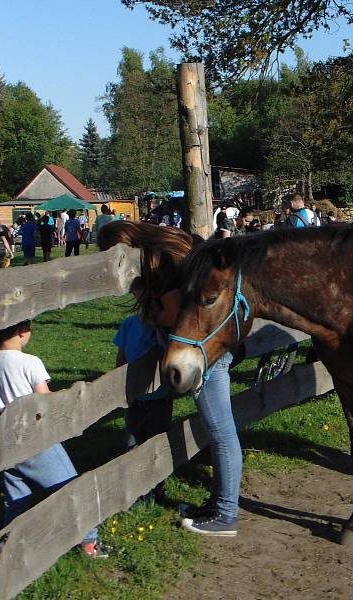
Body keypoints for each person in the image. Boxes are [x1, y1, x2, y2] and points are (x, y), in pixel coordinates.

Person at [98, 221, 242, 537]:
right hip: (208, 346)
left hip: (203, 353)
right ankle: (218, 504)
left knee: (221, 431)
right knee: (218, 430)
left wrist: (150, 313)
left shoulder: (162, 266)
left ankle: (226, 513)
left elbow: (173, 313)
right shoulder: (169, 254)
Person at [0, 320, 110, 558]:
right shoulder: (29, 362)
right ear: (24, 331)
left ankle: (7, 550)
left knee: (17, 499)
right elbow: (45, 400)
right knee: (69, 486)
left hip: (4, 442)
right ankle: (89, 542)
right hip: (36, 440)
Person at [113, 314, 172, 504]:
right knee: (132, 441)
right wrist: (121, 385)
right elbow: (122, 354)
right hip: (134, 398)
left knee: (157, 443)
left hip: (159, 398)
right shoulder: (130, 323)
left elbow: (170, 354)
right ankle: (135, 490)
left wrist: (159, 332)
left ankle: (156, 488)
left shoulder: (165, 326)